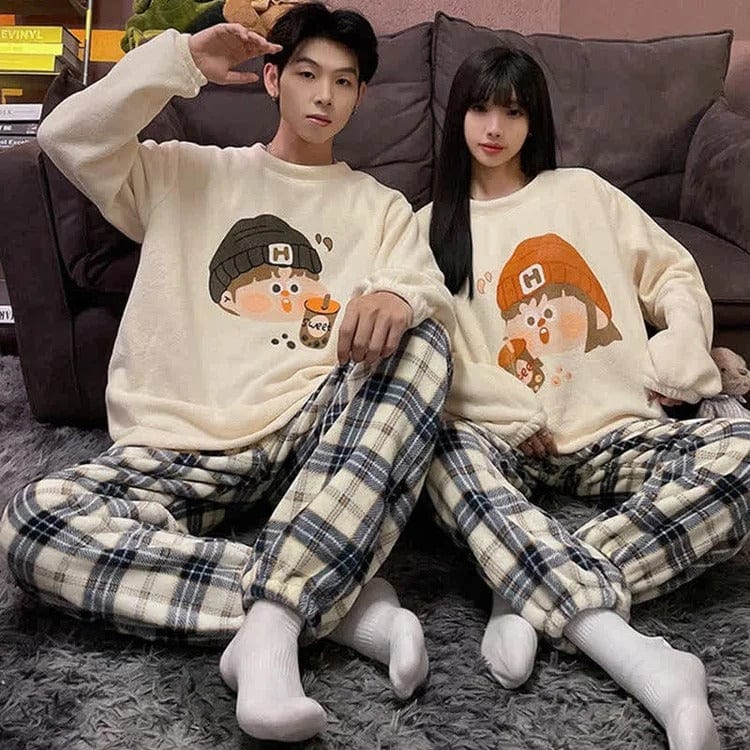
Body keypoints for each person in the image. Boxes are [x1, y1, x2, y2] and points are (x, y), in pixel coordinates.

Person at [0, 3, 455, 743]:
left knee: (425, 340)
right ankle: (329, 601)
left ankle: (271, 626)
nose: (324, 95)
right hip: (177, 447)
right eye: (306, 74)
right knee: (33, 525)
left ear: (360, 96)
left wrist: (397, 296)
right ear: (272, 78)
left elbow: (424, 288)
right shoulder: (184, 172)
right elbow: (65, 136)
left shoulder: (381, 207)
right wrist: (180, 61)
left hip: (308, 441)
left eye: (343, 82)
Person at [418, 45, 750, 750]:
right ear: (457, 116)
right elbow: (432, 352)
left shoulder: (583, 193)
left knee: (745, 452)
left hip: (617, 428)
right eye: (480, 108)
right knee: (437, 452)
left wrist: (683, 342)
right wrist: (505, 415)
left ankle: (523, 585)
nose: (494, 128)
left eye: (514, 112)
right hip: (503, 440)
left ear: (535, 120)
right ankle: (624, 645)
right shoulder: (427, 225)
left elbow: (672, 274)